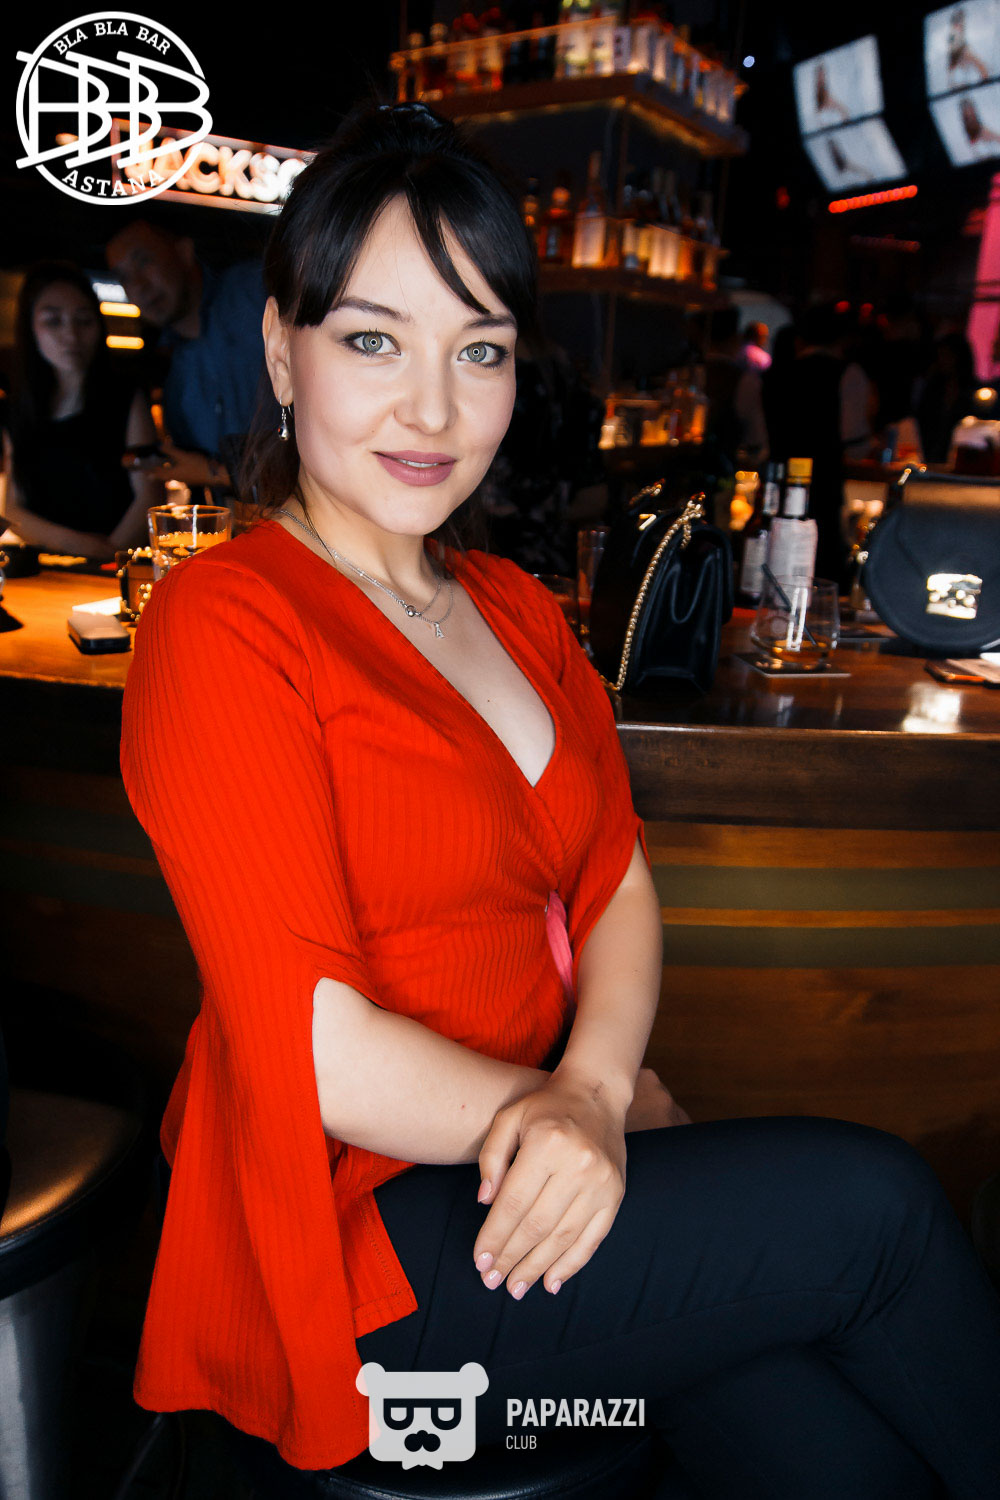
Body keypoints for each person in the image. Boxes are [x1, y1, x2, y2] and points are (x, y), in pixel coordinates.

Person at [120, 102, 1000, 1499]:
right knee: (875, 1208)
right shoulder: (224, 625)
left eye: (478, 351)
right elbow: (318, 1053)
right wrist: (580, 1112)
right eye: (373, 341)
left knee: (817, 1427)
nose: (432, 409)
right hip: (358, 1232)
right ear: (282, 352)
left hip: (540, 1161)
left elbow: (617, 886)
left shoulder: (519, 610)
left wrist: (592, 1092)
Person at [1, 262, 163, 560]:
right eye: (53, 321)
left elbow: (150, 497)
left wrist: (108, 555)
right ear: (30, 328)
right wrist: (84, 547)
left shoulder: (125, 397)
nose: (71, 334)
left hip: (116, 567)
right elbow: (12, 508)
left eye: (84, 321)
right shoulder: (19, 411)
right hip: (46, 570)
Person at [104, 219, 267, 493]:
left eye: (144, 262)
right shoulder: (171, 374)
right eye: (124, 278)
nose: (139, 285)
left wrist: (213, 471)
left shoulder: (253, 291)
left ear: (184, 251)